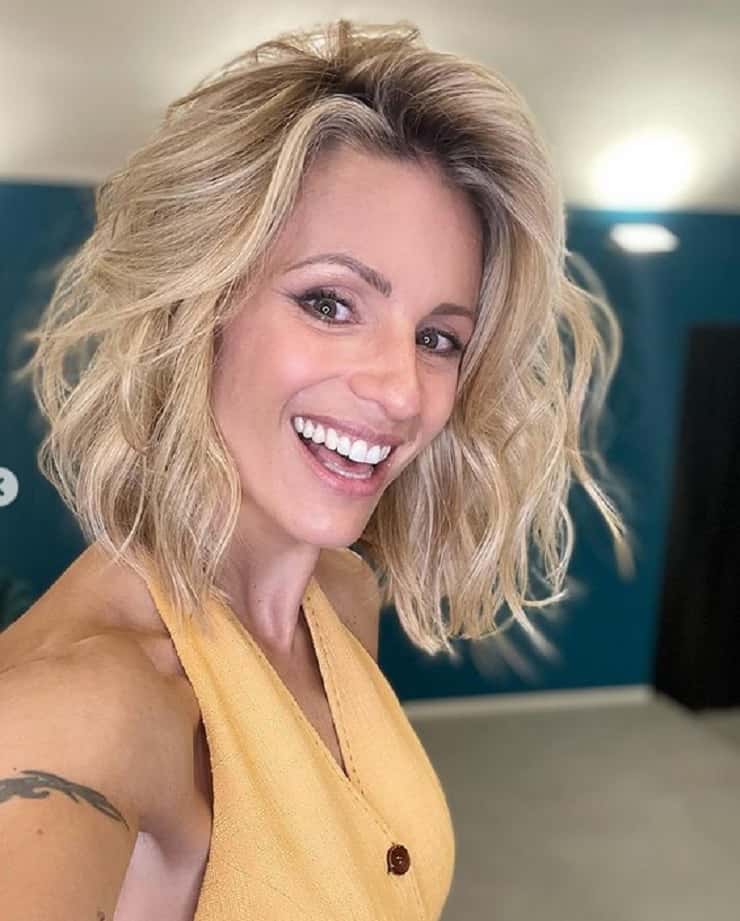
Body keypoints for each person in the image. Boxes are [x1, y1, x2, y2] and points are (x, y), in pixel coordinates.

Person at [0, 19, 632, 921]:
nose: (402, 389)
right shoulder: (76, 711)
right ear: (199, 307)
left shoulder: (341, 595)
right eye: (331, 303)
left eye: (438, 337)